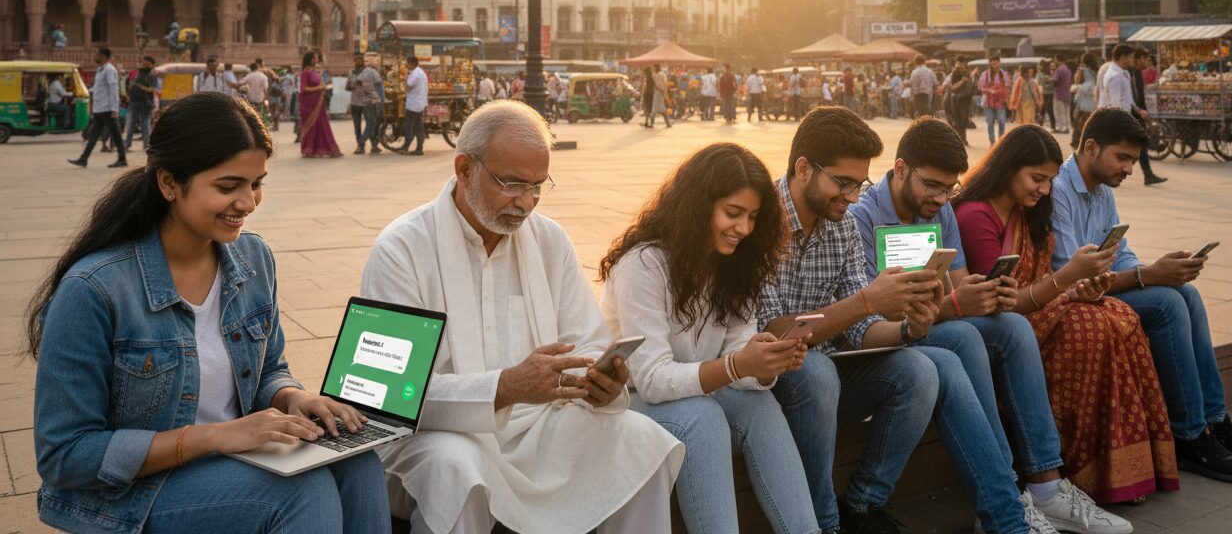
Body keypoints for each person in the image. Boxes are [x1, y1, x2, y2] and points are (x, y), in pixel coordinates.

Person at [31, 92, 389, 534]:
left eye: (257, 183)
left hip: (236, 458)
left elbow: (269, 370)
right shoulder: (94, 289)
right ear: (168, 184)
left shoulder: (254, 259)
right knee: (301, 491)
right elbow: (65, 455)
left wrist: (292, 398)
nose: (249, 202)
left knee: (360, 464)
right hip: (132, 493)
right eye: (228, 186)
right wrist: (217, 437)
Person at [360, 101, 683, 534]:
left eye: (537, 186)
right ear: (463, 170)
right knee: (458, 468)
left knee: (638, 439)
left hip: (540, 427)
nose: (526, 202)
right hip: (433, 438)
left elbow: (585, 343)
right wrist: (506, 387)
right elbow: (386, 393)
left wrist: (600, 381)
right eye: (512, 184)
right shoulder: (401, 249)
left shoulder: (549, 240)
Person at [760, 108, 1053, 534]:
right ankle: (826, 524)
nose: (853, 196)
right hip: (769, 373)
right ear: (803, 169)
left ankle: (864, 505)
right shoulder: (764, 221)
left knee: (924, 366)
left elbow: (862, 330)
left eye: (858, 185)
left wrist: (910, 328)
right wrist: (869, 301)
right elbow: (773, 332)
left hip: (834, 364)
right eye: (843, 183)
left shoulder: (837, 221)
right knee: (818, 370)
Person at [852, 117, 1130, 533]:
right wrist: (956, 306)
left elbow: (960, 286)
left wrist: (982, 297)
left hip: (933, 322)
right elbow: (872, 317)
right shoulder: (862, 218)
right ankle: (1005, 500)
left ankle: (1046, 485)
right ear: (901, 168)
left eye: (949, 188)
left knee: (1012, 328)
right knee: (965, 337)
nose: (942, 198)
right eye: (932, 185)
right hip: (889, 337)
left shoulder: (942, 210)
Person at [1050, 108, 1232, 483]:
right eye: (1122, 158)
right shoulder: (1059, 191)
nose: (1128, 169)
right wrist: (1148, 277)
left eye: (1133, 160)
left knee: (1184, 293)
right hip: (1070, 299)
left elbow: (1119, 250)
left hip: (1099, 288)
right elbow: (1073, 279)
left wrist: (1155, 273)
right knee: (1168, 302)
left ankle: (1215, 421)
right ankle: (1189, 435)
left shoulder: (1103, 190)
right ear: (1091, 147)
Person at [601, 143, 819, 534]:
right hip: (629, 405)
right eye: (733, 214)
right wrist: (737, 366)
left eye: (753, 217)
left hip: (697, 400)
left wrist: (767, 364)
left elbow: (739, 355)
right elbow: (650, 378)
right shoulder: (645, 263)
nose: (744, 229)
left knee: (758, 402)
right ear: (697, 205)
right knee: (703, 416)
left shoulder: (736, 265)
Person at [954, 124, 1177, 505]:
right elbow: (1005, 301)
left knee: (1120, 317)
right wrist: (1068, 279)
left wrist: (1079, 288)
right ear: (1008, 168)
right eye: (1036, 179)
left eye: (1049, 181)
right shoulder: (977, 215)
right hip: (1005, 321)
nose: (1043, 190)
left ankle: (1124, 467)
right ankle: (1078, 467)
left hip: (1042, 306)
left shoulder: (1029, 211)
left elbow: (1043, 279)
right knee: (1089, 328)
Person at [69, 47, 127, 168]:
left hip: (108, 109)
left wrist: (114, 109)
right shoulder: (100, 70)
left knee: (115, 134)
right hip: (100, 109)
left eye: (98, 54)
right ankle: (83, 159)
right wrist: (85, 91)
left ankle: (122, 159)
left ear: (104, 56)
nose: (95, 56)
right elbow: (98, 89)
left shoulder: (110, 70)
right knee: (93, 135)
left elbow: (113, 89)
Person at [1128, 49, 1166, 186]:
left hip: (1137, 113)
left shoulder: (1136, 73)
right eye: (1144, 58)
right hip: (1134, 114)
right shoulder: (1133, 73)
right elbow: (1134, 96)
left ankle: (1148, 174)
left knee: (1140, 146)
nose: (1146, 62)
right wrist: (1139, 112)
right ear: (1138, 59)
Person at [298, 50, 341, 158]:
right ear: (312, 59)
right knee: (312, 127)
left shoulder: (314, 71)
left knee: (322, 126)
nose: (317, 59)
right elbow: (303, 89)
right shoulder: (305, 72)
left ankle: (327, 148)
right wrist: (320, 87)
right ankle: (309, 149)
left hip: (319, 103)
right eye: (316, 58)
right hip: (309, 105)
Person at [124, 56, 158, 152]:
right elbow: (128, 83)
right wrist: (128, 93)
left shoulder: (152, 75)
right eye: (144, 62)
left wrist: (140, 87)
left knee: (145, 125)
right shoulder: (136, 73)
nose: (144, 64)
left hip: (146, 103)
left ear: (151, 65)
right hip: (134, 102)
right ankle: (127, 144)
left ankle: (146, 146)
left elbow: (152, 89)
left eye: (147, 63)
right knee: (130, 124)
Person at [352, 54, 384, 155]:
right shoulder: (374, 72)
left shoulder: (364, 72)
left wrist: (366, 90)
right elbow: (379, 87)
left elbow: (357, 82)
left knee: (371, 123)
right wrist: (380, 100)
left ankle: (371, 145)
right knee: (372, 124)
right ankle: (361, 143)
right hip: (373, 101)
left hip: (366, 101)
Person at [398, 55, 428, 155]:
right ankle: (419, 147)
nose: (407, 65)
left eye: (408, 63)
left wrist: (404, 79)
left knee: (409, 126)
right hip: (419, 103)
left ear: (412, 64)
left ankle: (406, 146)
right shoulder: (420, 72)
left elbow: (408, 87)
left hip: (414, 104)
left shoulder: (415, 74)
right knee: (418, 126)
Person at [979, 54, 1011, 145]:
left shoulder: (1004, 74)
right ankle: (992, 143)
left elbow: (1008, 85)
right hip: (988, 102)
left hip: (1000, 101)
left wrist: (1001, 90)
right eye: (992, 63)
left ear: (999, 63)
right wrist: (990, 90)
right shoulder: (985, 74)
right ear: (990, 63)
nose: (994, 65)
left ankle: (1001, 143)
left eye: (996, 63)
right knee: (990, 122)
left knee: (1002, 121)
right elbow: (981, 87)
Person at [1070, 53, 1098, 149]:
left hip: (1083, 102)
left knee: (1080, 127)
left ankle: (1078, 147)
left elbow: (1078, 82)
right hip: (1092, 103)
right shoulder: (1096, 71)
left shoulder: (1083, 70)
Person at [1051, 56, 1072, 135]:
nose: (1055, 62)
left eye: (1056, 60)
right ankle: (1066, 127)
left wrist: (1050, 82)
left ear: (1059, 60)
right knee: (1066, 112)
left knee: (1058, 112)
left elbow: (1055, 80)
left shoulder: (1059, 69)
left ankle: (1059, 127)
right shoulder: (1067, 70)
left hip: (1059, 94)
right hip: (1066, 94)